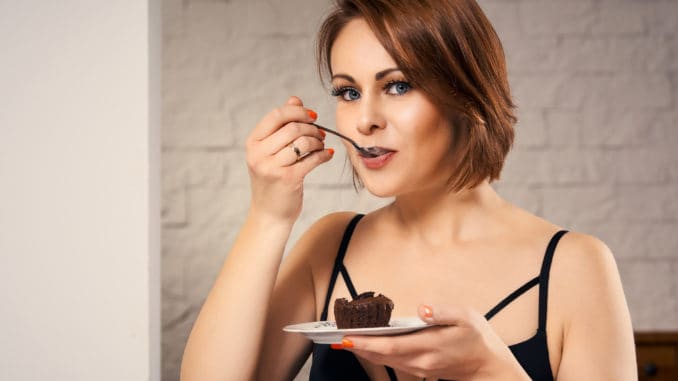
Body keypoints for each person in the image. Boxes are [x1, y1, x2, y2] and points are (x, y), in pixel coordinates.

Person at [180, 0, 637, 380]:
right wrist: (269, 215)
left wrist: (490, 369)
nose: (364, 120)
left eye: (397, 85)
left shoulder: (574, 266)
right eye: (348, 92)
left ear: (470, 95)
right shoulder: (330, 245)